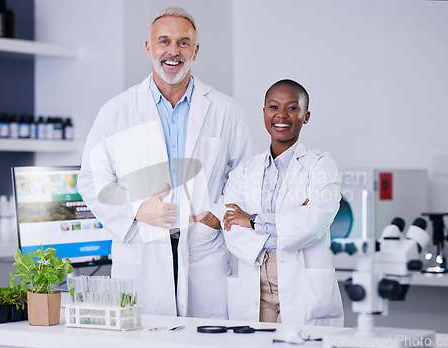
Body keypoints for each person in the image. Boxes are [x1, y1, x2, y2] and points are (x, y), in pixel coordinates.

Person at [77, 7, 254, 319]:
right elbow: (91, 180)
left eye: (183, 43)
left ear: (195, 51)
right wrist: (136, 208)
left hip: (203, 250)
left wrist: (218, 211)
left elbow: (248, 177)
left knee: (205, 342)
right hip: (140, 249)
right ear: (149, 48)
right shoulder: (116, 111)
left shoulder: (227, 111)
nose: (173, 51)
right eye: (164, 41)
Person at [222, 79, 344, 326]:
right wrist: (291, 219)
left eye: (292, 108)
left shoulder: (321, 165)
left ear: (306, 116)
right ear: (264, 113)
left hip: (302, 284)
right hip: (255, 280)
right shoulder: (245, 171)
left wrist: (253, 221)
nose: (281, 115)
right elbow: (232, 228)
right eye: (273, 107)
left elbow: (313, 223)